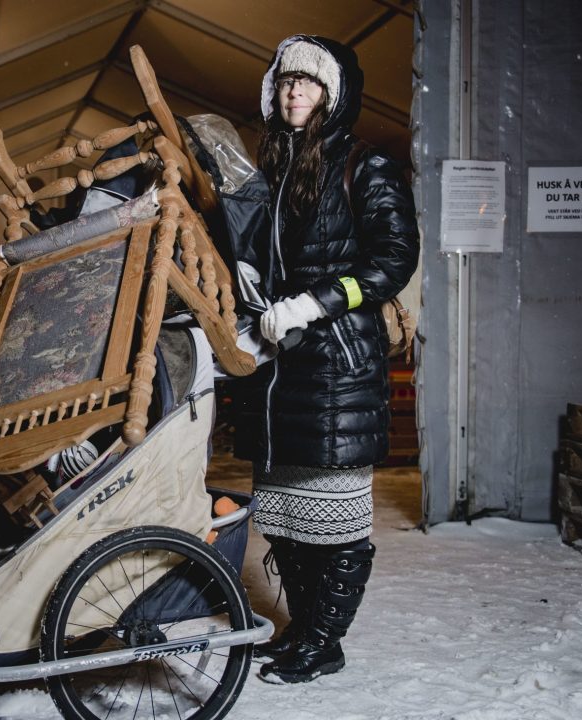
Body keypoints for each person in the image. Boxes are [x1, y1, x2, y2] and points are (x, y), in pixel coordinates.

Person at [233, 35, 420, 684]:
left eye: (308, 84)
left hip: (336, 364)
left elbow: (393, 259)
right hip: (280, 369)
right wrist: (251, 279)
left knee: (334, 520)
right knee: (284, 516)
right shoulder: (276, 168)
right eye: (286, 82)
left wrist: (316, 303)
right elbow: (260, 249)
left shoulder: (362, 167)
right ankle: (302, 632)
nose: (293, 92)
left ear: (332, 97)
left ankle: (325, 643)